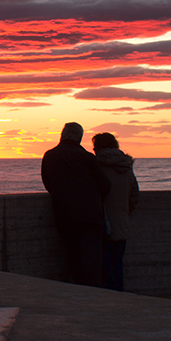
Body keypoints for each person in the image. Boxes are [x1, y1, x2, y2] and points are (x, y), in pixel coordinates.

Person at [41, 122, 110, 286]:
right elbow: (105, 185)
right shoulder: (87, 157)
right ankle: (92, 294)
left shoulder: (50, 156)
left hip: (64, 215)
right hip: (91, 216)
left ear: (62, 135)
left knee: (72, 257)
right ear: (79, 138)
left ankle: (76, 292)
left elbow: (48, 183)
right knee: (91, 260)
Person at [92, 132, 140, 291]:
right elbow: (134, 195)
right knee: (117, 263)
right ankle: (120, 296)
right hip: (121, 223)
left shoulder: (96, 166)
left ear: (97, 147)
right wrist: (124, 212)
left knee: (103, 265)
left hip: (101, 223)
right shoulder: (126, 167)